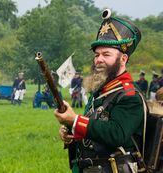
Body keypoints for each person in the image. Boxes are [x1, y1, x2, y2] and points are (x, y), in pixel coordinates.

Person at [54, 9, 144, 173]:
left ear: (123, 59)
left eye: (106, 54)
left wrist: (75, 120)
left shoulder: (129, 95)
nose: (99, 60)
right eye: (97, 55)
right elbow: (95, 132)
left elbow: (117, 134)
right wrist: (72, 132)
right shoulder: (102, 91)